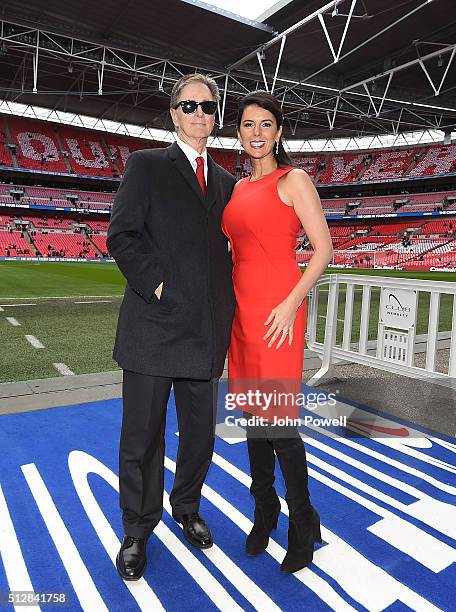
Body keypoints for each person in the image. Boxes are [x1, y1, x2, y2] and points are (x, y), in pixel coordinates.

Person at [107, 73, 236, 581]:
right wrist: (159, 285)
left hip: (204, 333)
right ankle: (137, 530)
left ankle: (187, 507)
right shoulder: (146, 165)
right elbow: (123, 235)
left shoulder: (227, 182)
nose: (199, 114)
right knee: (142, 437)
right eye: (189, 105)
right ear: (174, 113)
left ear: (214, 115)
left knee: (200, 435)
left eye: (208, 106)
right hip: (153, 329)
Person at [222, 91, 333, 574]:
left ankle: (302, 520)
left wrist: (291, 303)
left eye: (266, 124)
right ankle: (264, 510)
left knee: (280, 425)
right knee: (252, 420)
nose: (257, 133)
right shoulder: (237, 188)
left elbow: (323, 250)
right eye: (248, 124)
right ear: (239, 132)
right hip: (240, 315)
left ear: (279, 132)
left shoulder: (296, 179)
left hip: (278, 314)